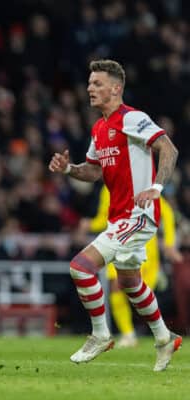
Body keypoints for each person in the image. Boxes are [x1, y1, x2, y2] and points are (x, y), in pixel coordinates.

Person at [49, 59, 181, 371]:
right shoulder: (100, 127)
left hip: (138, 215)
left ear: (116, 88)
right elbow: (94, 171)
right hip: (119, 217)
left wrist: (156, 187)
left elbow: (169, 149)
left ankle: (100, 335)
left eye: (97, 83)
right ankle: (165, 339)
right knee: (130, 282)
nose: (89, 88)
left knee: (81, 267)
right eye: (89, 83)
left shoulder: (132, 118)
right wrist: (68, 169)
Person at [82, 185, 182, 347]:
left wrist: (169, 245)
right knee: (116, 287)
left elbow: (167, 213)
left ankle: (162, 334)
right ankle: (129, 335)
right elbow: (104, 218)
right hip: (116, 244)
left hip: (143, 247)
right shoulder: (106, 189)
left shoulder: (139, 181)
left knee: (138, 292)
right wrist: (90, 225)